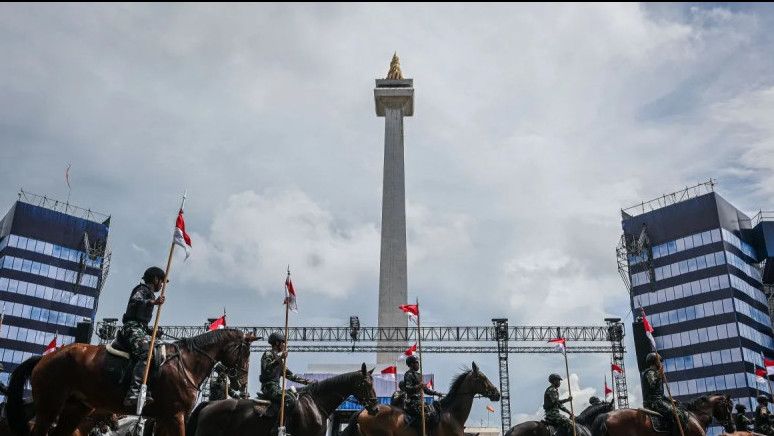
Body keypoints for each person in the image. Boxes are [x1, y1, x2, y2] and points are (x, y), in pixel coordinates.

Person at [120, 267, 166, 408]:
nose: (162, 285)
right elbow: (136, 300)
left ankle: (148, 388)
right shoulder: (143, 289)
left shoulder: (150, 293)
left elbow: (142, 320)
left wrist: (152, 331)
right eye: (161, 281)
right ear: (155, 279)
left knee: (160, 349)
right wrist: (153, 302)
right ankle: (134, 391)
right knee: (146, 352)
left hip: (141, 328)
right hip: (131, 327)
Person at [260, 332, 311, 412]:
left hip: (277, 388)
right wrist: (280, 358)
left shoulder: (279, 358)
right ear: (277, 343)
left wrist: (306, 382)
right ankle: (282, 422)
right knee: (289, 399)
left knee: (295, 395)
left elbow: (290, 375)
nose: (284, 345)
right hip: (269, 387)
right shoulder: (268, 354)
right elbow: (267, 369)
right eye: (283, 342)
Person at [642, 352, 683, 432]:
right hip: (654, 402)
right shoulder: (650, 372)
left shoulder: (656, 373)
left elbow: (660, 394)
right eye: (659, 361)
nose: (661, 364)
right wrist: (659, 375)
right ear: (655, 362)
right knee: (675, 413)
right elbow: (652, 385)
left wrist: (670, 400)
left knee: (678, 407)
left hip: (659, 400)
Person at [402, 355, 444, 427]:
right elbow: (408, 389)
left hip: (420, 401)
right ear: (411, 364)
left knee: (434, 412)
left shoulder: (419, 375)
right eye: (416, 363)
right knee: (423, 416)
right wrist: (418, 386)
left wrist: (437, 393)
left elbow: (426, 390)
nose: (418, 365)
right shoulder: (409, 374)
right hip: (412, 402)